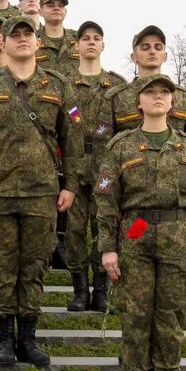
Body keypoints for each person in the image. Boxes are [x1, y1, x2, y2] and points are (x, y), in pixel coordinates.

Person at [0, 17, 83, 368]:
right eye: (16, 35)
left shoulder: (58, 86)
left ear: (38, 43)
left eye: (29, 35)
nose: (23, 40)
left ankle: (28, 337)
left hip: (42, 193)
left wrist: (70, 185)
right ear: (4, 43)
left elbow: (73, 141)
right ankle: (4, 340)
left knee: (34, 266)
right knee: (2, 266)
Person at [95, 72, 186, 371]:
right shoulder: (120, 146)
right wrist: (107, 248)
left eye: (165, 92)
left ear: (173, 102)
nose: (159, 97)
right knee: (135, 316)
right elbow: (105, 200)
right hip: (136, 232)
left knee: (171, 316)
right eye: (152, 92)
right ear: (139, 102)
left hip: (179, 233)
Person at [61, 21, 123, 310]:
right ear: (76, 45)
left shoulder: (117, 85)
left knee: (103, 227)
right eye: (85, 38)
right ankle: (79, 290)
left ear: (103, 45)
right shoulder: (63, 83)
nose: (90, 42)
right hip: (72, 163)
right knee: (74, 229)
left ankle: (101, 290)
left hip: (105, 166)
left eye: (96, 38)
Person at [37, 0, 76, 66]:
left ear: (65, 11)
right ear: (40, 12)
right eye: (51, 5)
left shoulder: (78, 38)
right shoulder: (32, 39)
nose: (57, 8)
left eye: (61, 6)